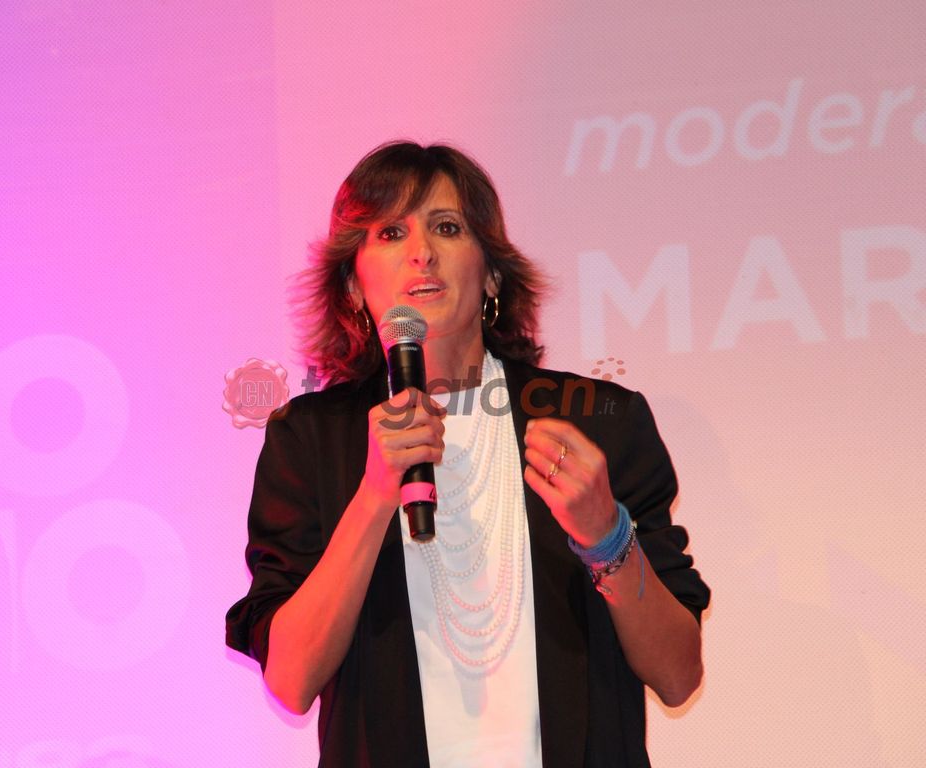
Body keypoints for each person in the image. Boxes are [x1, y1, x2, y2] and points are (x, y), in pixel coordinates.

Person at [226, 141, 710, 767]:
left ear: (492, 275)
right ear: (352, 285)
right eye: (390, 232)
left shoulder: (596, 423)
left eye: (448, 228)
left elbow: (678, 674)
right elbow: (291, 681)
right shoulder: (310, 440)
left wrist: (605, 536)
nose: (421, 252)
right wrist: (374, 495)